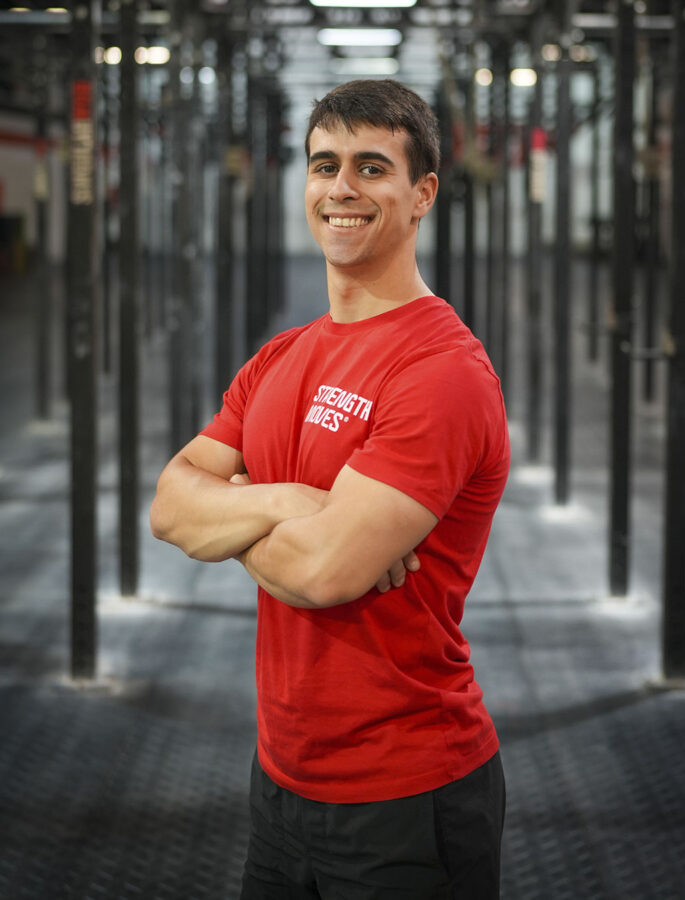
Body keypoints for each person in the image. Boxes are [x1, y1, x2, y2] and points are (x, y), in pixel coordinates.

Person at [150, 79, 510, 898]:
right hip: (279, 777)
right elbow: (169, 507)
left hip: (407, 793)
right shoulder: (280, 356)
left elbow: (324, 574)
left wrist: (237, 510)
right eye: (324, 165)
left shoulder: (442, 371)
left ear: (422, 195)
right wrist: (289, 504)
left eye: (371, 167)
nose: (341, 188)